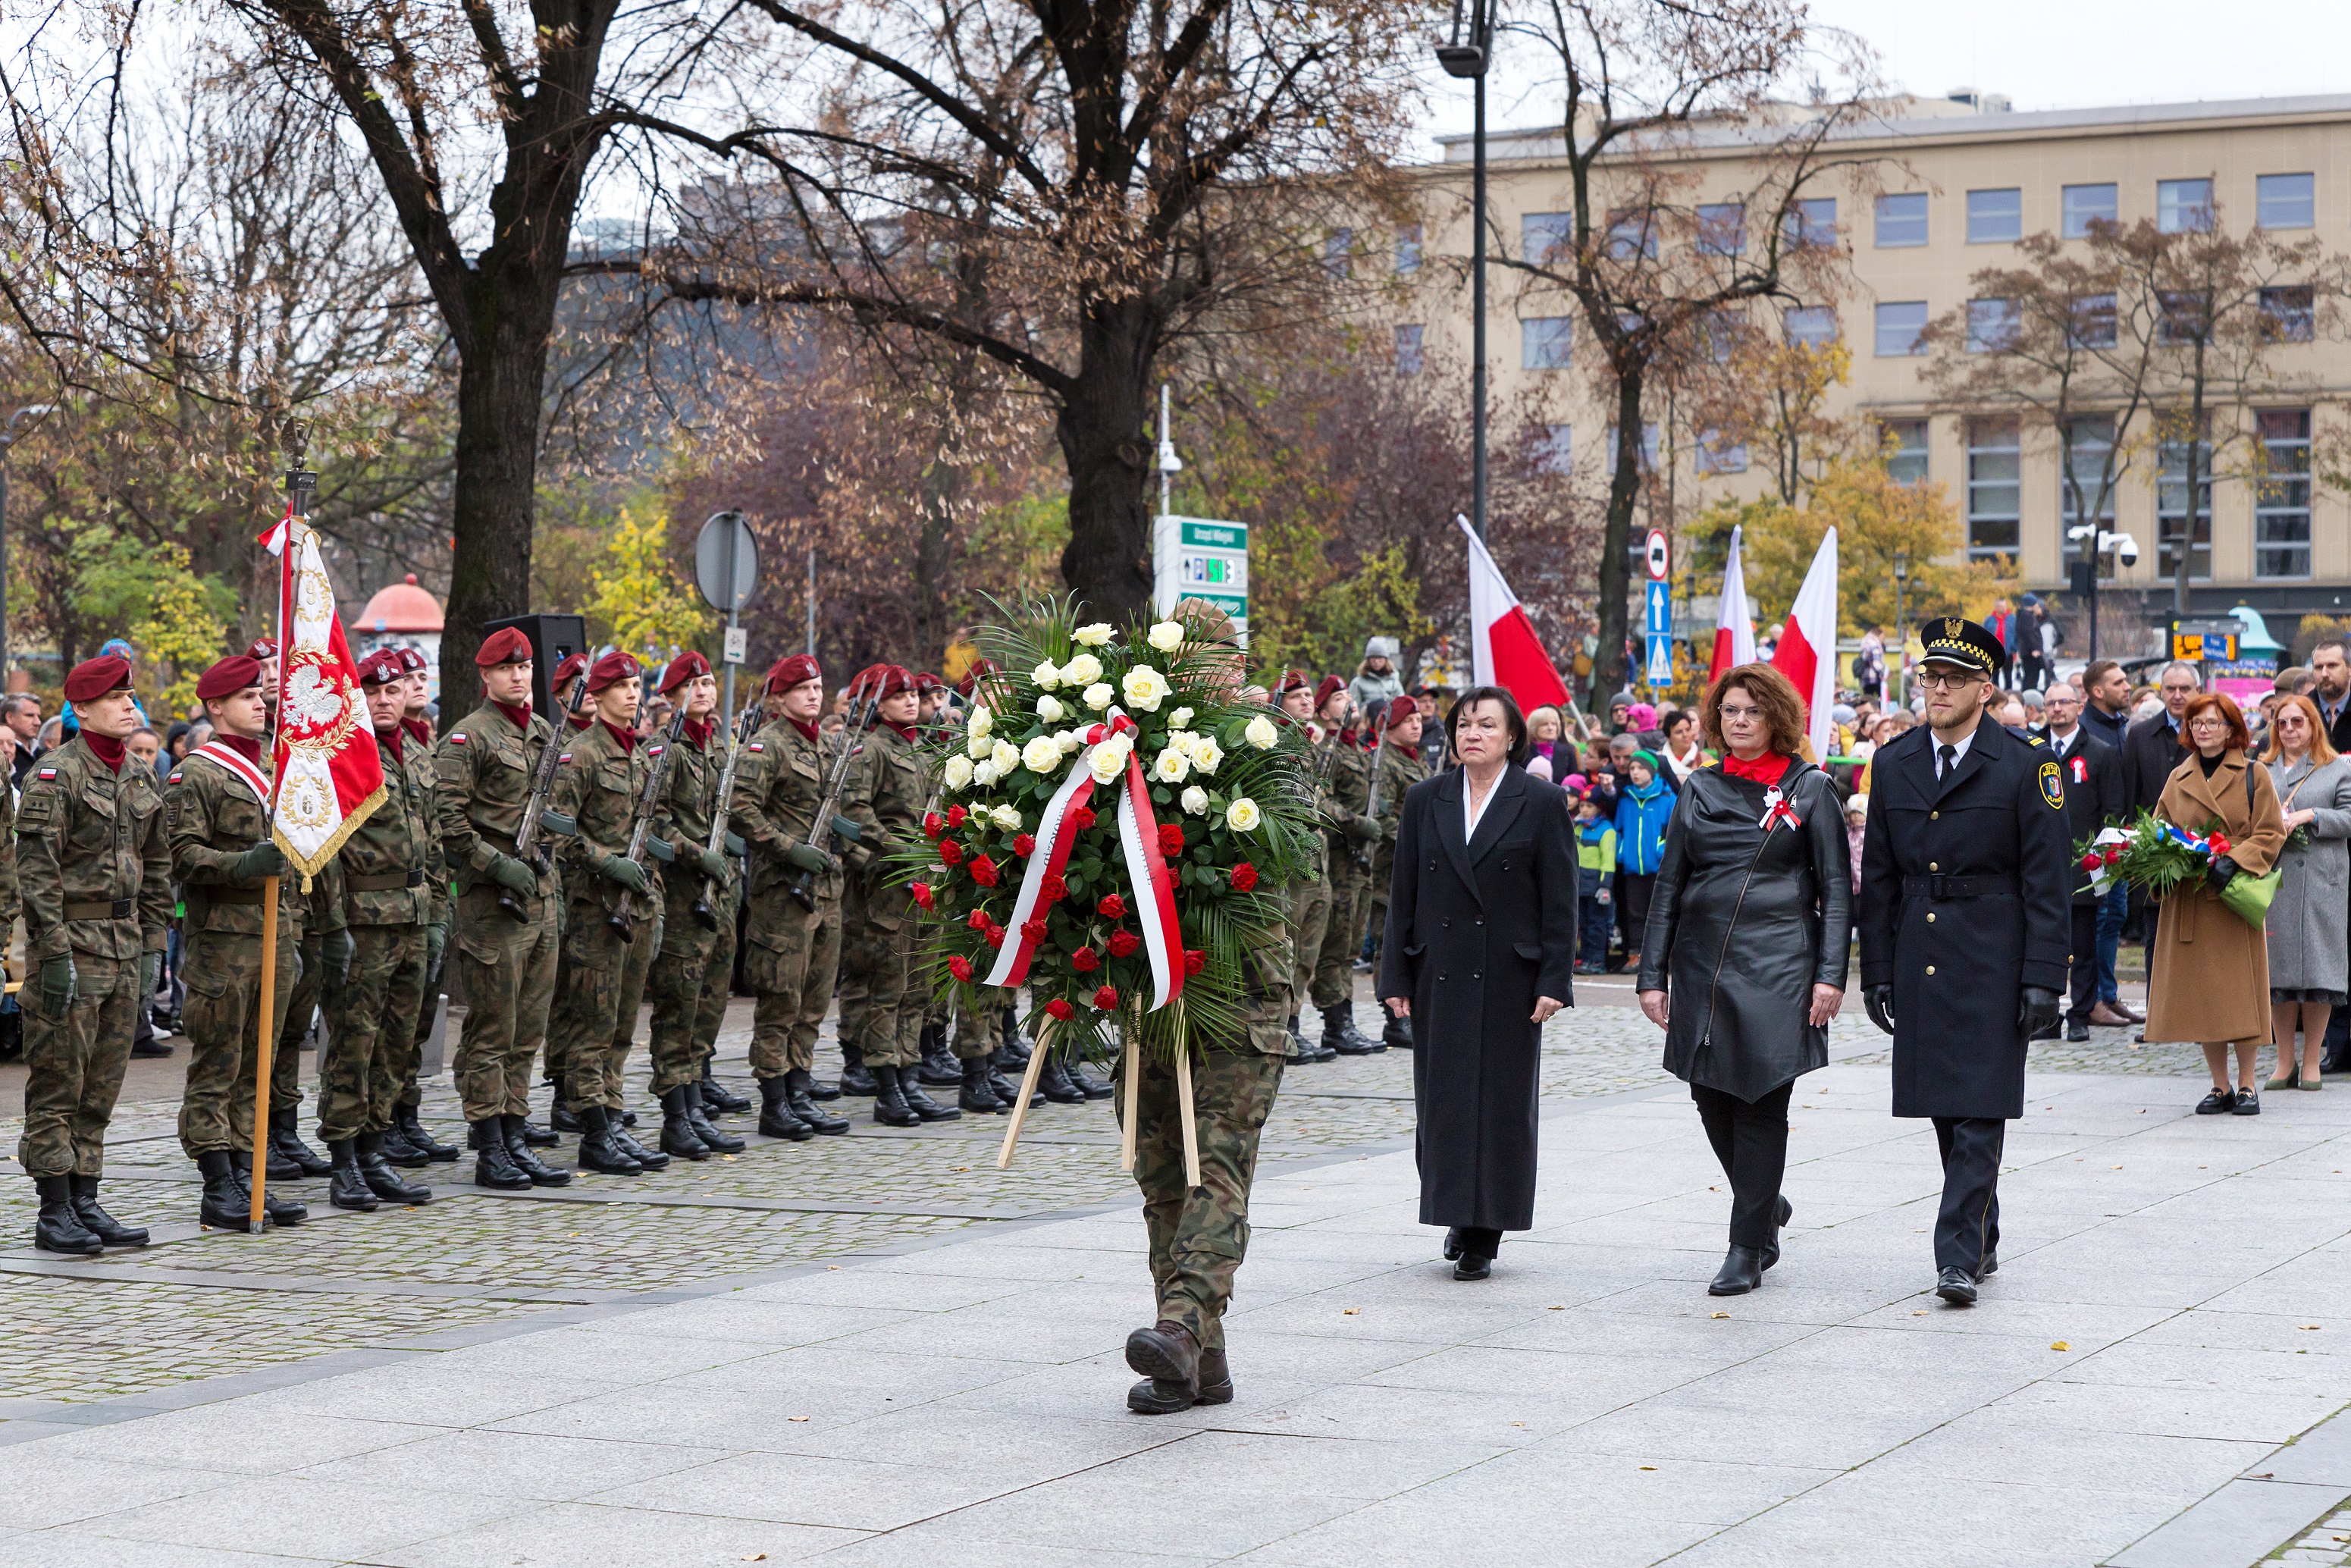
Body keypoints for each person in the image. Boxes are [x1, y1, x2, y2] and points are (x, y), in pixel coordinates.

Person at [1857, 617, 2070, 1306]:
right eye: (1928, 676)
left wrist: (2044, 976)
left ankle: (1954, 1255)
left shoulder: (2027, 762)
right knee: (1946, 1110)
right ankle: (1982, 1232)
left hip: (1994, 953)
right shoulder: (1893, 762)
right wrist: (1878, 969)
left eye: (1952, 678)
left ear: (1986, 689)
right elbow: (1881, 878)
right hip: (1922, 953)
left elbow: (2047, 880)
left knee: (1980, 1107)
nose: (1936, 688)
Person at [1638, 662, 1848, 1295]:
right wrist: (1652, 974)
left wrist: (1830, 975)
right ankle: (1764, 1205)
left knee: (1760, 1097)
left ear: (1776, 717)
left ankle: (1744, 1246)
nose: (1738, 721)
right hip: (1701, 964)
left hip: (1780, 963)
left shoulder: (1810, 789)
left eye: (1751, 710)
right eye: (1729, 710)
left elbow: (1837, 889)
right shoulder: (1698, 788)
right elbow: (1669, 883)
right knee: (1709, 1094)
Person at [1378, 686, 1576, 1281]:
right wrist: (1394, 973)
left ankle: (1484, 1232)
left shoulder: (1539, 801)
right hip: (1438, 967)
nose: (1472, 734)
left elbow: (1559, 900)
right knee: (1443, 1101)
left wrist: (1553, 978)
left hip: (1509, 976)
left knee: (1500, 1103)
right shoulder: (1425, 798)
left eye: (1486, 725)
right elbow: (1402, 893)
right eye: (1464, 724)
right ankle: (1454, 1212)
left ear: (1511, 736)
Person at [17, 654, 155, 1254]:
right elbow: (36, 875)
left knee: (102, 1085)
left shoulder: (139, 777)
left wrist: (152, 946)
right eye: (116, 697)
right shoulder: (57, 776)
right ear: (82, 709)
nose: (130, 706)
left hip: (123, 948)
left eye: (131, 696)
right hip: (73, 945)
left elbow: (157, 869)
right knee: (58, 1081)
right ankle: (54, 1209)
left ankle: (86, 1197)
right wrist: (50, 956)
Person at [435, 627, 572, 1190]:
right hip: (493, 904)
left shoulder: (543, 731)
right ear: (486, 676)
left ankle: (516, 1134)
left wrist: (548, 859)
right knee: (493, 1029)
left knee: (528, 1027)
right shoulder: (468, 739)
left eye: (525, 668)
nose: (519, 677)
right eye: (506, 669)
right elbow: (448, 820)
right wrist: (498, 865)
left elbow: (558, 810)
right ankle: (489, 1143)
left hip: (538, 897)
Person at [310, 650, 439, 1211]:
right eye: (372, 692)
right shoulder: (342, 757)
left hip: (412, 916)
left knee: (397, 1043)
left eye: (392, 691)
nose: (384, 700)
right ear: (354, 697)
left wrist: (434, 915)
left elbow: (431, 839)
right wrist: (333, 926)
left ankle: (376, 1149)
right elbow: (326, 853)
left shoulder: (414, 750)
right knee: (353, 1044)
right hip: (364, 919)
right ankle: (344, 1160)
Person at [546, 651, 672, 1174]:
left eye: (636, 684)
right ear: (595, 698)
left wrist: (652, 894)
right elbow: (557, 832)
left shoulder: (640, 756)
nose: (632, 693)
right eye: (620, 686)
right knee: (592, 1026)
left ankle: (613, 1119)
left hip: (636, 909)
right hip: (596, 910)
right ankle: (593, 1132)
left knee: (622, 1025)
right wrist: (608, 864)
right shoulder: (582, 754)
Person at [2145, 692, 2288, 1115]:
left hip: (2231, 898)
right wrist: (2165, 863)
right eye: (2196, 723)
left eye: (2212, 722)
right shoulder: (2178, 778)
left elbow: (2271, 832)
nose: (2203, 729)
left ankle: (2247, 1086)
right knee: (2204, 998)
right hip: (2190, 899)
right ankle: (2219, 1085)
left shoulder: (2253, 773)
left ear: (2231, 729)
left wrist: (2235, 859)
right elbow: (2158, 832)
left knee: (2239, 995)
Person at [732, 654, 855, 1139]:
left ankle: (800, 1090)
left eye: (818, 686)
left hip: (826, 890)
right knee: (780, 999)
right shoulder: (767, 747)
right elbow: (742, 811)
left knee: (814, 999)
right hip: (784, 893)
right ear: (779, 698)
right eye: (802, 688)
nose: (813, 695)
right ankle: (774, 1100)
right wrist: (790, 851)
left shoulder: (828, 746)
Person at [839, 664, 961, 1126]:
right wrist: (901, 853)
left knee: (918, 989)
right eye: (899, 695)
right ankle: (886, 1085)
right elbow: (856, 814)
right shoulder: (870, 750)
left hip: (927, 883)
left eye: (913, 695)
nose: (911, 702)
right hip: (891, 885)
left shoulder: (924, 749)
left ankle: (910, 1077)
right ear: (880, 704)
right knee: (887, 989)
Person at [638, 651, 750, 1159]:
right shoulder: (666, 751)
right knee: (678, 1009)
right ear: (671, 695)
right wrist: (695, 854)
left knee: (709, 1004)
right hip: (685, 896)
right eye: (693, 684)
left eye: (708, 682)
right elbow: (655, 824)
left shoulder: (719, 748)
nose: (705, 690)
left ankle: (696, 1101)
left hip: (721, 895)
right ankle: (675, 1115)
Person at [2260, 695, 2351, 1091]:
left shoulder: (2336, 769)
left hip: (2321, 881)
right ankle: (2285, 1061)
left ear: (2314, 725)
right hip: (2274, 880)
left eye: (2298, 722)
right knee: (2277, 975)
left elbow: (2350, 816)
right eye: (2282, 723)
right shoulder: (2260, 769)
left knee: (2319, 973)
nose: (2290, 730)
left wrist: (2311, 815)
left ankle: (2312, 1058)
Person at [2039, 682, 2129, 1040]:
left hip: (2083, 866)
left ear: (2080, 707)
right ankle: (2045, 1017)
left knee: (2084, 947)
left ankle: (2079, 1014)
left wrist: (2104, 860)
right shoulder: (2033, 749)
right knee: (2044, 946)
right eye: (2051, 703)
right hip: (2041, 865)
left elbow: (2113, 812)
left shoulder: (2101, 753)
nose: (2057, 708)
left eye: (2064, 702)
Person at [1309, 677, 1380, 1056]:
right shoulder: (1328, 751)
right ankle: (1335, 1023)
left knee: (1351, 944)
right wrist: (1357, 823)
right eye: (1338, 698)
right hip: (1337, 857)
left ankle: (1344, 1021)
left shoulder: (1359, 750)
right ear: (1323, 711)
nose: (1348, 701)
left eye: (1348, 695)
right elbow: (1322, 802)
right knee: (1335, 944)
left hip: (1360, 863)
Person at [1274, 673, 1333, 1066]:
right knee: (1289, 949)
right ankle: (1281, 1027)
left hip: (1318, 864)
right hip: (1294, 866)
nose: (1308, 701)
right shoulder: (1276, 745)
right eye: (1298, 696)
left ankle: (1294, 1023)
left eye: (1311, 695)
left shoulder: (1307, 747)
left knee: (1310, 952)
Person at [1368, 700, 1432, 1050]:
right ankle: (1392, 1014)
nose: (1416, 726)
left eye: (1420, 719)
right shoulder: (1387, 763)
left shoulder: (1414, 760)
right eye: (1408, 720)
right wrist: (1419, 839)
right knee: (1388, 937)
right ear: (1389, 725)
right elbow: (1383, 817)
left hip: (1418, 863)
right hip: (1391, 862)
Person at [1613, 749, 1674, 970]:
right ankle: (1635, 955)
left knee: (1659, 913)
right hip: (1632, 867)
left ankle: (1661, 957)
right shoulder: (1626, 799)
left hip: (1657, 867)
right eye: (1632, 769)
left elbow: (1673, 831)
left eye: (1640, 768)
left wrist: (1661, 850)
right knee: (1635, 913)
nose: (1635, 773)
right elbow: (1619, 828)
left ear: (1652, 770)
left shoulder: (1667, 798)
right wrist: (1621, 852)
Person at [1348, 637, 1404, 713]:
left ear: (1386, 659)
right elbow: (1352, 708)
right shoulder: (1358, 683)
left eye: (1380, 657)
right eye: (1373, 658)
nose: (1377, 661)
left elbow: (1402, 705)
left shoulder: (1394, 682)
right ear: (1368, 659)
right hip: (1365, 721)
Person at [1660, 709, 1711, 787]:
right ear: (1668, 737)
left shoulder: (1705, 759)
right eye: (1679, 732)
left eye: (1688, 730)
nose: (1685, 735)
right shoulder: (1659, 760)